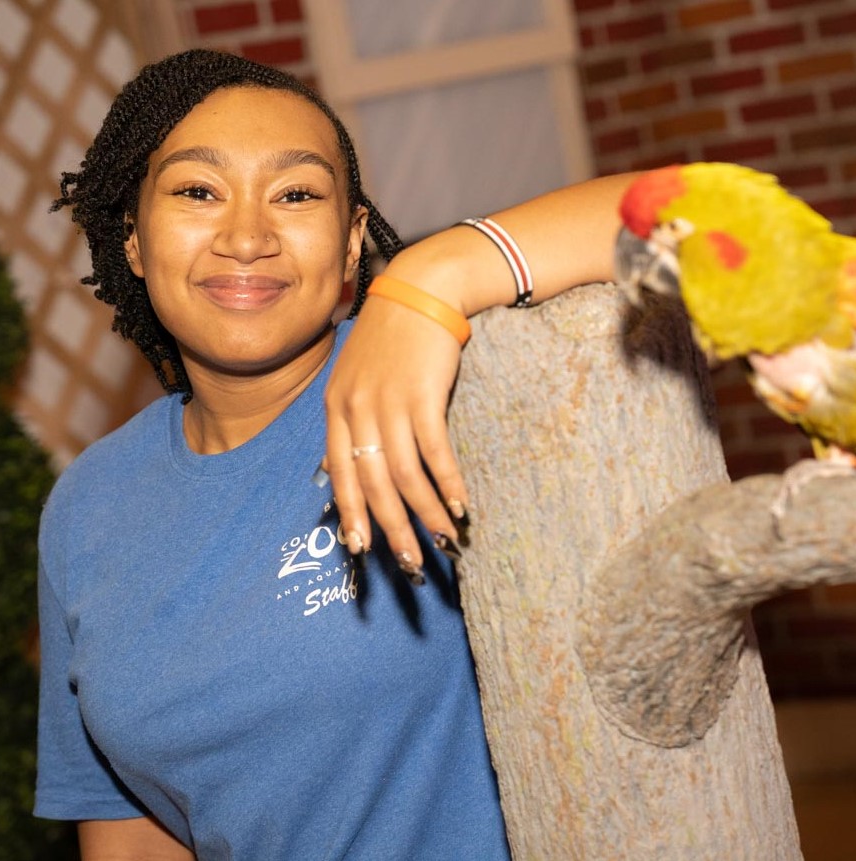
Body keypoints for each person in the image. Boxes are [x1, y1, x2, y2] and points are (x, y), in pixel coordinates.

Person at [34, 49, 636, 859]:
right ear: (133, 240)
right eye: (197, 192)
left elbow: (697, 217)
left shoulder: (440, 382)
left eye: (296, 194)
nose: (246, 236)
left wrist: (426, 281)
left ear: (352, 241)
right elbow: (131, 827)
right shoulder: (87, 503)